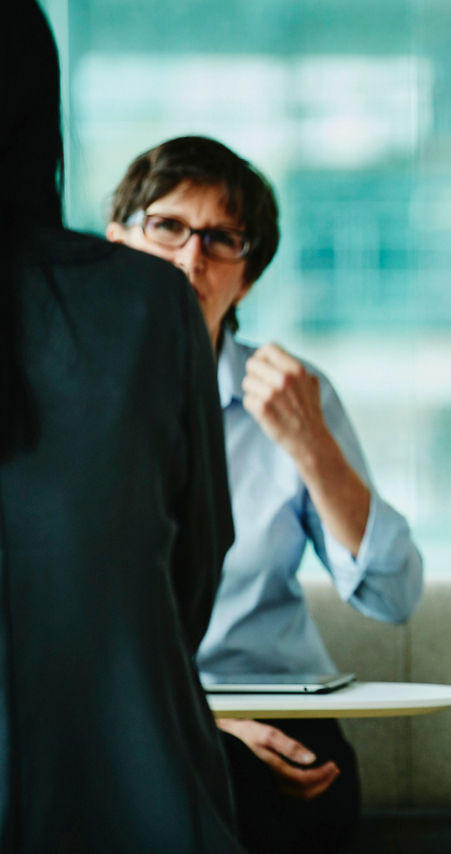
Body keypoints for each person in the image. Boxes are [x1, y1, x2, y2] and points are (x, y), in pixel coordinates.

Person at [105, 136, 425, 853]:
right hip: (133, 716)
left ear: (248, 275)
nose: (192, 259)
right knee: (213, 781)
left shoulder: (290, 394)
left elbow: (393, 595)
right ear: (117, 242)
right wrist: (204, 728)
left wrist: (311, 446)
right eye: (168, 228)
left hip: (281, 707)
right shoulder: (71, 400)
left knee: (285, 784)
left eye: (221, 239)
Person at [0, 3, 241, 850]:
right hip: (137, 793)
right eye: (171, 227)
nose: (194, 252)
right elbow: (192, 572)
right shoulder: (147, 307)